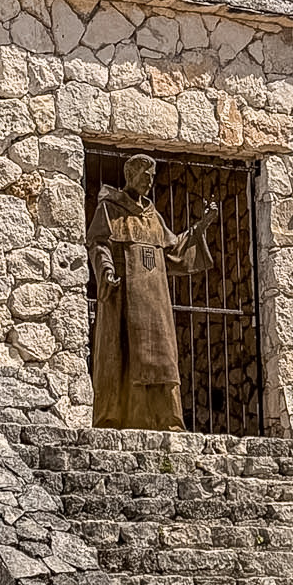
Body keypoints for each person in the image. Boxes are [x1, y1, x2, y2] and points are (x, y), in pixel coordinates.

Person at [88, 155, 218, 430]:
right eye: (146, 174)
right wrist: (106, 271)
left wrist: (202, 225)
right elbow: (99, 244)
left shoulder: (153, 216)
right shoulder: (110, 209)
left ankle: (166, 420)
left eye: (153, 175)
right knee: (124, 355)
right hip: (124, 296)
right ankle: (123, 418)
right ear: (130, 174)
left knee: (163, 359)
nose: (150, 180)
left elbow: (175, 250)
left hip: (156, 301)